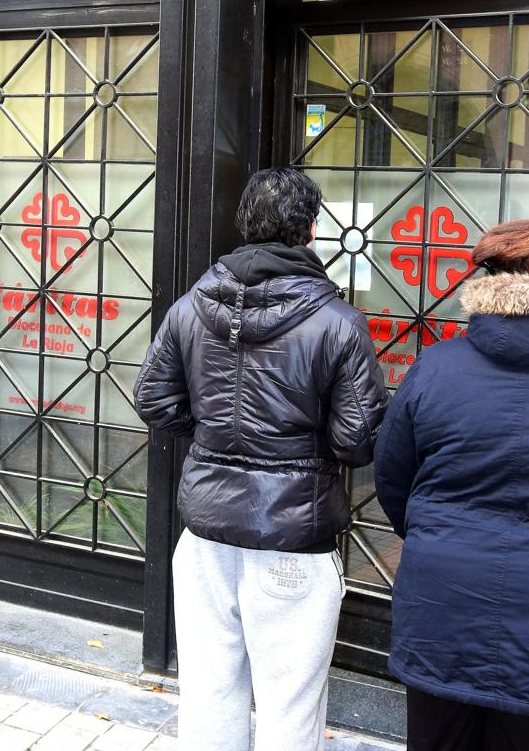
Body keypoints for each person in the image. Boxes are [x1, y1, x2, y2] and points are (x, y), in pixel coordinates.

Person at [134, 167, 388, 751]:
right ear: (312, 230)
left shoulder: (190, 307)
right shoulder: (339, 323)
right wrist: (301, 455)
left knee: (209, 691)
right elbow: (357, 441)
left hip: (205, 532)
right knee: (291, 701)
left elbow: (153, 399)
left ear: (243, 225)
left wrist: (213, 439)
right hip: (293, 535)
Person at [374, 218, 529, 751]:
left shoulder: (434, 368)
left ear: (482, 280)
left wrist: (439, 532)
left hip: (443, 603)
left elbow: (392, 479)